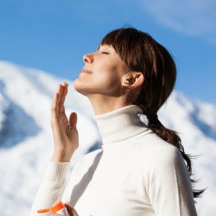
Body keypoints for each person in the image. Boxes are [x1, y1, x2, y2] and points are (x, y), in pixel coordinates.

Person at [30, 27, 205, 216]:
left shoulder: (160, 157)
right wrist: (62, 154)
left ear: (132, 79)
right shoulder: (86, 163)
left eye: (104, 52)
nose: (87, 56)